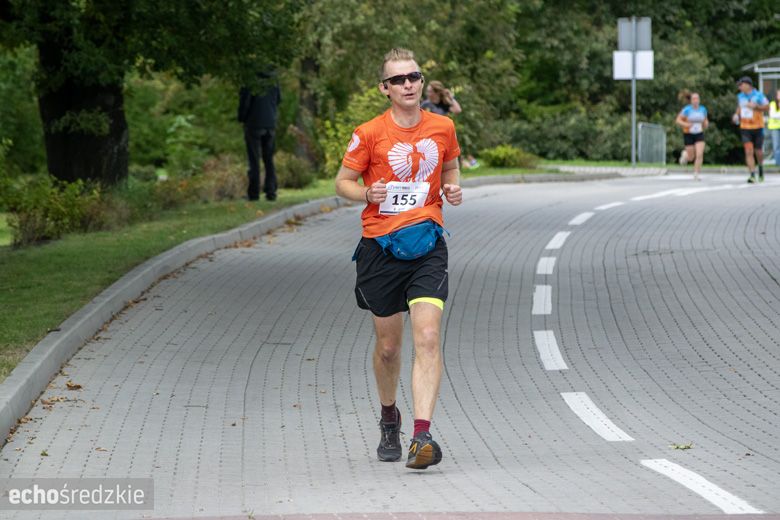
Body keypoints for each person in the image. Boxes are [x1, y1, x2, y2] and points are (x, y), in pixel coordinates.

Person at [335, 48, 462, 470]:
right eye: (398, 80)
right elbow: (342, 182)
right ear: (384, 89)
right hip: (380, 249)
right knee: (389, 348)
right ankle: (390, 417)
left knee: (427, 336)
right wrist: (364, 192)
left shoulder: (443, 126)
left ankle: (421, 436)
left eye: (414, 77)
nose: (408, 84)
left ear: (422, 82)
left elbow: (450, 167)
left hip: (427, 245)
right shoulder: (369, 133)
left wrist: (452, 188)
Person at [238, 74, 281, 201]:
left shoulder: (250, 80)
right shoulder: (273, 80)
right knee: (269, 159)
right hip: (270, 123)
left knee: (254, 159)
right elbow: (278, 99)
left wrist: (241, 118)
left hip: (254, 123)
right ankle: (271, 191)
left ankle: (254, 192)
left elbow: (245, 102)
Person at [733, 76, 769, 183]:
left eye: (741, 85)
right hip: (745, 127)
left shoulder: (758, 95)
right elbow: (740, 107)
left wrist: (756, 107)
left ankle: (761, 168)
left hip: (758, 127)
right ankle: (752, 174)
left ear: (748, 85)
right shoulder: (740, 96)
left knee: (758, 151)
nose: (739, 87)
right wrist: (736, 115)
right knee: (748, 151)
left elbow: (767, 107)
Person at [675, 91, 709, 180]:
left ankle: (696, 173)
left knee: (699, 154)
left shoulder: (703, 109)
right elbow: (678, 120)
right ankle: (685, 155)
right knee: (691, 157)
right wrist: (686, 125)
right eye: (694, 99)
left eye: (697, 98)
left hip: (699, 133)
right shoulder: (687, 110)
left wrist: (705, 124)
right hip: (688, 134)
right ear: (691, 101)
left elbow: (705, 121)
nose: (696, 100)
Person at [769, 89, 780, 166]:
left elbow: (775, 115)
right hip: (774, 127)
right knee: (776, 146)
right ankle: (778, 163)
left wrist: (777, 115)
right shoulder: (772, 104)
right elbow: (772, 115)